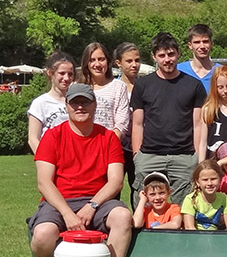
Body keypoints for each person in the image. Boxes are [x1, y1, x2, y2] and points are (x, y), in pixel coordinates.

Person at [28, 83, 132, 257]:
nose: (80, 107)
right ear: (66, 106)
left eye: (85, 102)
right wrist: (67, 213)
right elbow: (44, 183)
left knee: (122, 216)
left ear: (94, 105)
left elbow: (115, 181)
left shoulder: (109, 137)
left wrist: (92, 205)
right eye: (75, 102)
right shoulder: (53, 136)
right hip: (59, 200)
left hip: (98, 200)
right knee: (42, 234)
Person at [131, 32, 207, 206]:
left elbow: (198, 124)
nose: (167, 59)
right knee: (145, 206)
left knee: (185, 207)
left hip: (183, 155)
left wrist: (196, 156)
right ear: (154, 57)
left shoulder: (193, 85)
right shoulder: (143, 85)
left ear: (178, 53)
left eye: (171, 54)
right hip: (150, 155)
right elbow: (137, 123)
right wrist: (137, 155)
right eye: (162, 55)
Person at [79, 42, 130, 140]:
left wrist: (108, 144)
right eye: (92, 60)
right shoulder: (77, 86)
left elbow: (121, 123)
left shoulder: (119, 87)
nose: (97, 64)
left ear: (108, 61)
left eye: (101, 59)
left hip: (109, 144)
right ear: (86, 63)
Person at [27, 52, 76, 154]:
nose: (66, 78)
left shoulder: (77, 101)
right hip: (51, 159)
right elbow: (33, 139)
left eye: (70, 74)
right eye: (62, 73)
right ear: (50, 73)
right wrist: (45, 160)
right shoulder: (40, 103)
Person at [114, 42, 142, 198]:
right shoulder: (114, 86)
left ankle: (140, 222)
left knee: (138, 188)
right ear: (119, 63)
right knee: (113, 186)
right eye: (129, 61)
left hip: (139, 146)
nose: (134, 65)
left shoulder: (145, 86)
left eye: (137, 60)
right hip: (118, 146)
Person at [182, 159, 227, 230]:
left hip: (215, 237)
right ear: (197, 182)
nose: (209, 183)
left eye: (213, 179)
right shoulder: (190, 199)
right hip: (196, 237)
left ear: (220, 180)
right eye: (205, 180)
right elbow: (189, 227)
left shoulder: (223, 198)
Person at [176, 24, 220, 93]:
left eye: (205, 41)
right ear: (190, 45)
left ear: (211, 44)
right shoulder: (179, 70)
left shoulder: (221, 71)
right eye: (197, 42)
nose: (202, 46)